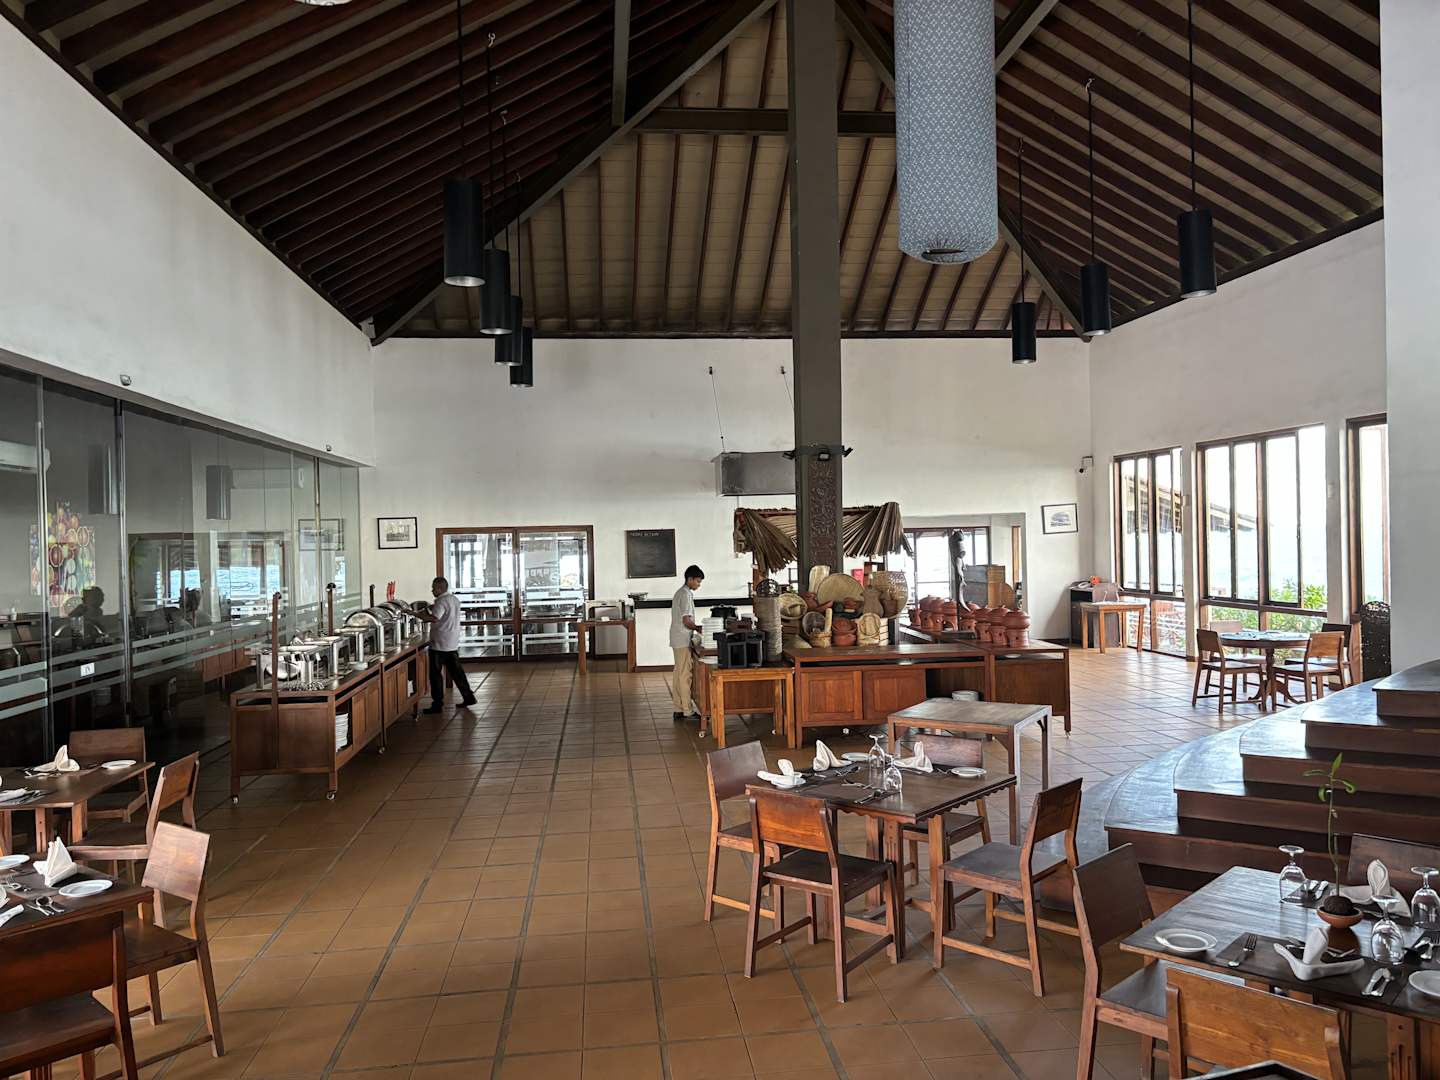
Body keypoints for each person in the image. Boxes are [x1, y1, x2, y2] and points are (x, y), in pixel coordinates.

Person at [409, 576, 477, 712]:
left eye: (433, 588)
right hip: (451, 642)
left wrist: (414, 614)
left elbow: (433, 618)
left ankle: (437, 704)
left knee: (435, 675)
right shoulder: (453, 599)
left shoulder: (441, 601)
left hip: (439, 644)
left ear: (439, 589)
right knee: (457, 673)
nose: (432, 590)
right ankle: (469, 697)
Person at [670, 565, 704, 721]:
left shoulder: (680, 592)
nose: (699, 584)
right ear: (690, 579)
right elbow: (686, 620)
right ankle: (687, 711)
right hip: (682, 639)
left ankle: (678, 708)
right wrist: (698, 628)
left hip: (677, 638)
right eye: (697, 581)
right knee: (685, 675)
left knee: (678, 673)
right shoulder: (685, 594)